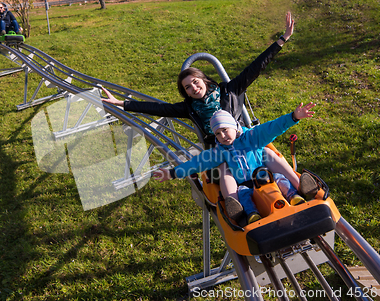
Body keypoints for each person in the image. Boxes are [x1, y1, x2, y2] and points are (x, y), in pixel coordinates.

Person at [102, 12, 304, 195]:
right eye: (188, 88)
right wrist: (121, 103)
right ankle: (237, 203)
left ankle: (299, 186)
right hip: (221, 151)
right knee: (224, 169)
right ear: (186, 93)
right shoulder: (189, 108)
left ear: (204, 80)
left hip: (245, 141)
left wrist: (282, 39)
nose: (193, 88)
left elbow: (255, 67)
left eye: (195, 82)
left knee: (269, 154)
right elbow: (157, 108)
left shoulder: (229, 90)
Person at [152, 103, 316, 224]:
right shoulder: (219, 152)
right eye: (218, 133)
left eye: (225, 130)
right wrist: (172, 173)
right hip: (244, 184)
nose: (222, 135)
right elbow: (197, 163)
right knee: (243, 193)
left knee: (279, 176)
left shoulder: (252, 137)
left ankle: (296, 194)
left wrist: (293, 117)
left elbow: (271, 128)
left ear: (234, 127)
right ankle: (246, 214)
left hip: (266, 176)